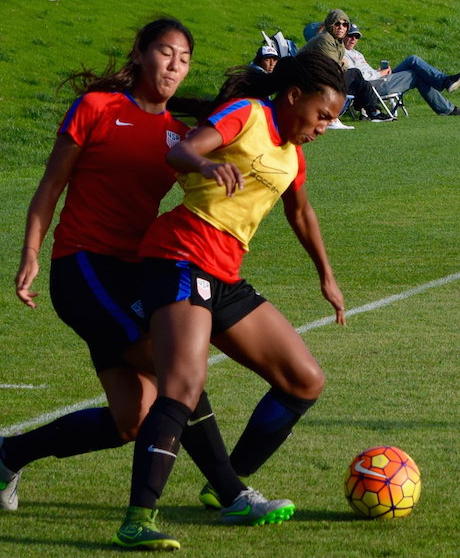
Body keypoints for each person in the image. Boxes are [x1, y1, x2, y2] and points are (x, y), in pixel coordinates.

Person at [0, 18, 274, 529]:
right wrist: (31, 251)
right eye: (165, 52)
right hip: (83, 268)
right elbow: (50, 186)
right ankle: (231, 492)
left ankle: (7, 454)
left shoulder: (181, 134)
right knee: (179, 370)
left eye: (184, 59)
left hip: (135, 275)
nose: (174, 66)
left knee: (131, 419)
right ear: (138, 54)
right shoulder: (96, 109)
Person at [112, 51, 347, 551]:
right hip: (178, 258)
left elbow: (301, 213)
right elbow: (181, 153)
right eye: (323, 115)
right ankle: (138, 517)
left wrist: (326, 276)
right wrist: (205, 164)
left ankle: (229, 487)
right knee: (182, 384)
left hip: (224, 273)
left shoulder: (293, 155)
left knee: (304, 380)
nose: (326, 127)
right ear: (293, 97)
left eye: (333, 120)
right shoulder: (248, 115)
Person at [343, 24, 460, 116]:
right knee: (417, 75)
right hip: (372, 88)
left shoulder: (357, 53)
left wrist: (380, 72)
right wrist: (379, 73)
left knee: (413, 60)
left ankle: (445, 84)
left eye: (356, 36)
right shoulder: (342, 55)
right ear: (343, 36)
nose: (353, 39)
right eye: (350, 36)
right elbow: (357, 78)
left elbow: (366, 70)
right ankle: (447, 96)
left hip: (380, 79)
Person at [302, 9, 393, 121]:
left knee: (362, 84)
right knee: (355, 73)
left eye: (345, 24)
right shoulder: (325, 39)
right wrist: (343, 64)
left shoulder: (337, 42)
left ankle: (375, 112)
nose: (341, 27)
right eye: (337, 24)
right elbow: (334, 66)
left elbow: (338, 66)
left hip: (325, 77)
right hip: (312, 79)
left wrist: (342, 65)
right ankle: (364, 110)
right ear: (331, 25)